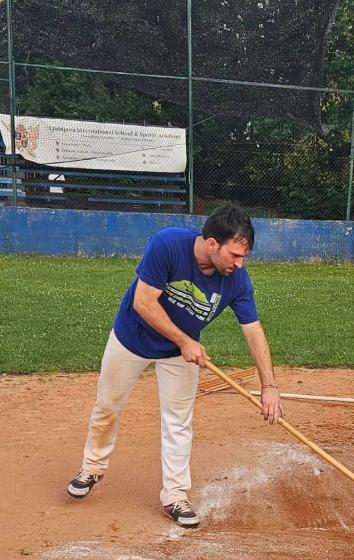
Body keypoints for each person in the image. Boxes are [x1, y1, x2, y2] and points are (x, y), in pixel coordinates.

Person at [66, 204, 284, 528]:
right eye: (235, 255)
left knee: (179, 422)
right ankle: (92, 468)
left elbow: (253, 329)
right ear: (212, 244)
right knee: (107, 405)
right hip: (131, 338)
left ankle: (175, 496)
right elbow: (143, 302)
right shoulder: (167, 245)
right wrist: (184, 340)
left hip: (179, 352)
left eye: (244, 258)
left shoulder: (237, 281)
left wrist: (269, 386)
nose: (239, 264)